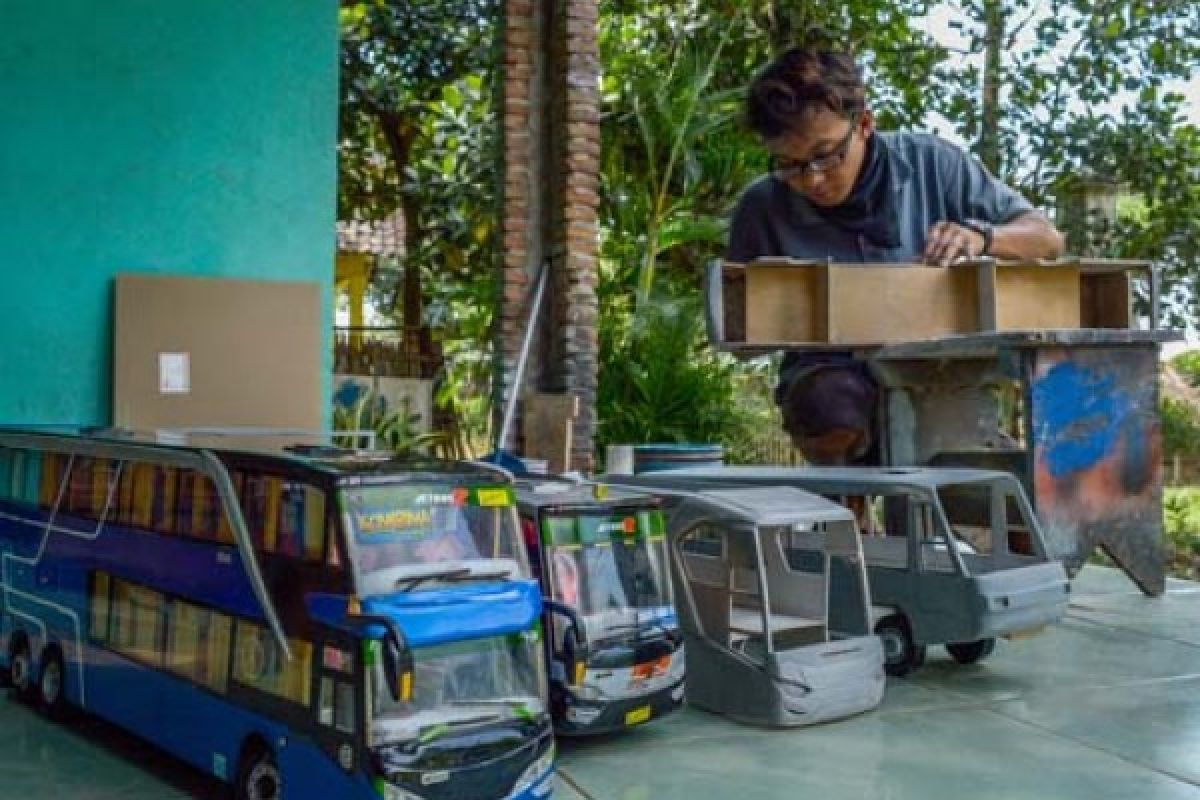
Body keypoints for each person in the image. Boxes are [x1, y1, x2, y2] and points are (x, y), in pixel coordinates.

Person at [726, 38, 1065, 465]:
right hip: (830, 383)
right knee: (828, 404)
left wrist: (982, 238)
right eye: (790, 165)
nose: (811, 179)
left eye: (825, 156)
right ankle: (847, 511)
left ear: (864, 124)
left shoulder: (933, 163)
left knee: (993, 496)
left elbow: (1047, 239)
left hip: (941, 377)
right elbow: (738, 335)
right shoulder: (762, 206)